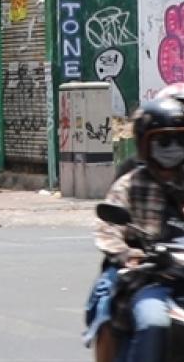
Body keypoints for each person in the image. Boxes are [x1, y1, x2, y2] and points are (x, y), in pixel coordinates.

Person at [86, 96, 184, 362]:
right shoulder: (131, 183)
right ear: (145, 144)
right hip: (151, 275)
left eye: (179, 141)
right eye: (163, 142)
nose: (173, 149)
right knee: (153, 322)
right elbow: (107, 226)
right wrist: (126, 254)